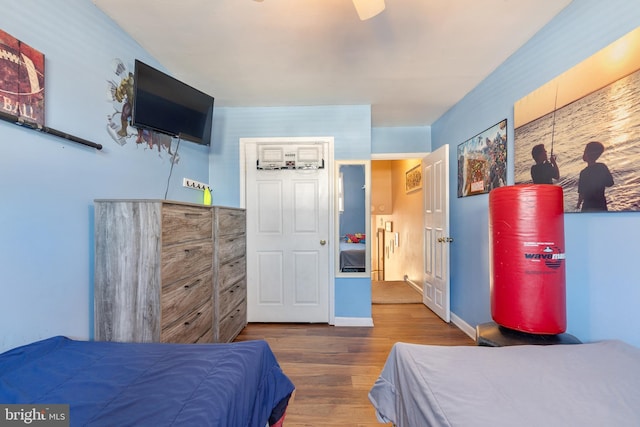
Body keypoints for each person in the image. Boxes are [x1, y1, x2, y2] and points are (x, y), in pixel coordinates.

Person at [576, 141, 614, 212]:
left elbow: (581, 194)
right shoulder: (602, 167)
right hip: (601, 205)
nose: (583, 153)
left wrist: (578, 205)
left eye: (585, 151)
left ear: (588, 154)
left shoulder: (584, 173)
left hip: (588, 207)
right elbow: (610, 183)